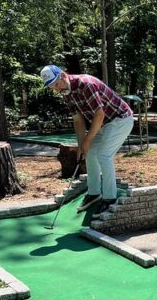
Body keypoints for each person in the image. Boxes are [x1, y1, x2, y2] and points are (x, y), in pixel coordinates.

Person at [40, 65, 134, 215]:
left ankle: (110, 198)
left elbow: (99, 114)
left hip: (121, 119)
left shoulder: (86, 84)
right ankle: (94, 193)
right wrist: (81, 146)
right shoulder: (67, 92)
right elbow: (78, 120)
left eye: (56, 84)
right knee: (89, 153)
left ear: (63, 75)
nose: (56, 89)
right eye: (52, 87)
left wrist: (88, 140)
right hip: (105, 123)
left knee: (103, 155)